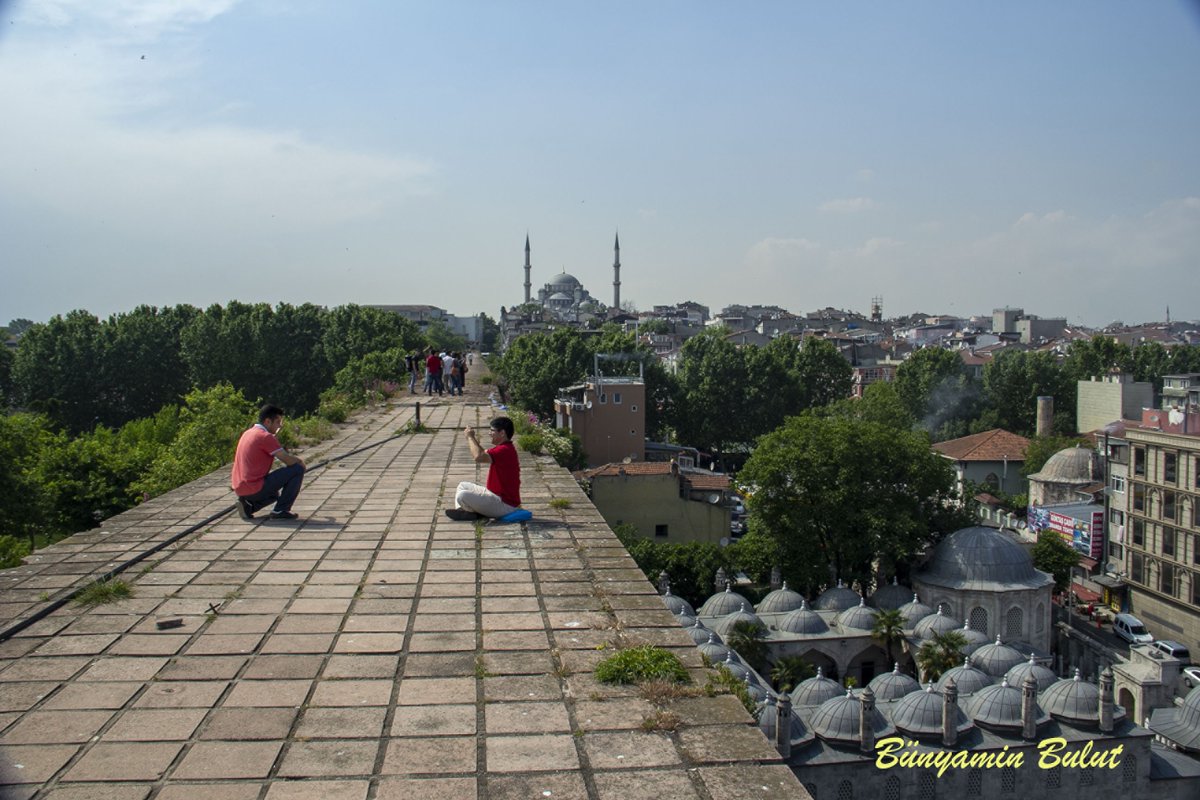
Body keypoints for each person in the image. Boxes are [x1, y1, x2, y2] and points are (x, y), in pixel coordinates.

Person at [231, 404, 306, 521]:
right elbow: (286, 459)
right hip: (254, 486)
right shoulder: (265, 436)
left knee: (274, 495)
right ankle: (281, 510)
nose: (280, 426)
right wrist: (300, 462)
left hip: (240, 487)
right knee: (297, 469)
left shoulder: (248, 433)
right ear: (267, 421)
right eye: (277, 422)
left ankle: (248, 506)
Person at [446, 416, 521, 520]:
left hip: (504, 504)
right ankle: (464, 512)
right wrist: (473, 438)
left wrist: (470, 437)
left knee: (462, 496)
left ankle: (474, 513)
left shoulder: (504, 450)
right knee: (462, 485)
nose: (489, 434)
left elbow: (478, 456)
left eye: (492, 431)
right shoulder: (504, 448)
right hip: (494, 495)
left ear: (502, 433)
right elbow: (482, 452)